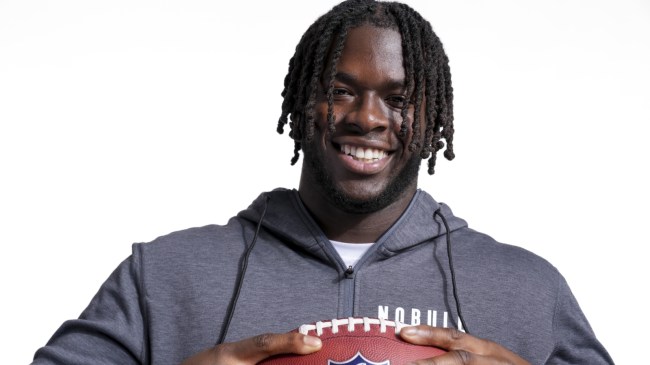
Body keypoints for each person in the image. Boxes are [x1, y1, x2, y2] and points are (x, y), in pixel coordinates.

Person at [32, 1, 613, 364]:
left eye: (400, 98)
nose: (367, 118)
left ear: (434, 118)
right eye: (339, 90)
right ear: (301, 103)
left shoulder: (525, 288)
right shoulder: (166, 273)